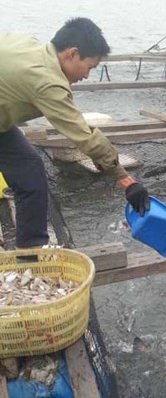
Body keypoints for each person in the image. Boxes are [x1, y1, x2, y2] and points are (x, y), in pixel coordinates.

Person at [0, 17, 150, 249]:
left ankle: (31, 251)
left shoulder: (29, 45)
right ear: (72, 53)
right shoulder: (48, 82)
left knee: (30, 169)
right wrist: (127, 181)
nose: (87, 76)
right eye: (89, 67)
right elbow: (84, 135)